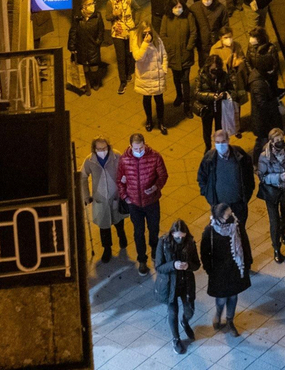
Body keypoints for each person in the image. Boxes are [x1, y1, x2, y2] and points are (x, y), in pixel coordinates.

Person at [116, 132, 169, 275]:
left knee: (154, 229)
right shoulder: (124, 160)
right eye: (136, 149)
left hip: (151, 202)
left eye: (141, 148)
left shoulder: (155, 157)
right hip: (134, 204)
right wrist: (125, 196)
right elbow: (119, 180)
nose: (139, 151)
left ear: (145, 144)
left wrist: (156, 186)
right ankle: (142, 260)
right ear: (130, 147)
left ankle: (154, 251)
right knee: (138, 232)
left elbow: (163, 175)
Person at [199, 203, 252, 336]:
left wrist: (248, 262)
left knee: (233, 296)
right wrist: (208, 269)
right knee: (222, 297)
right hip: (219, 270)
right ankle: (218, 314)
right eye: (227, 215)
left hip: (234, 267)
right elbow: (204, 253)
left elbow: (245, 243)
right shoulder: (210, 231)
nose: (230, 217)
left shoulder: (237, 226)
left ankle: (230, 321)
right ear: (220, 217)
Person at [153, 218, 201, 353]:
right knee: (172, 312)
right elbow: (159, 267)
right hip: (170, 285)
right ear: (172, 234)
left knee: (190, 310)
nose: (180, 239)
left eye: (182, 236)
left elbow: (197, 264)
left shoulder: (190, 243)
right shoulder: (163, 243)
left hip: (186, 283)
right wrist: (173, 265)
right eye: (177, 236)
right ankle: (176, 339)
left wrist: (188, 266)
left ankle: (185, 322)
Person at [256, 128, 285, 262]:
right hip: (272, 194)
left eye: (282, 139)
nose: (280, 142)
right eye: (277, 141)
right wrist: (278, 177)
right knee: (274, 222)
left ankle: (283, 231)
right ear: (271, 141)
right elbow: (262, 177)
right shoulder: (264, 156)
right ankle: (276, 247)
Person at [80, 137, 128, 261]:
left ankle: (121, 235)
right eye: (99, 148)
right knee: (104, 226)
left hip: (115, 196)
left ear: (108, 146)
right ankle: (107, 248)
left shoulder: (116, 156)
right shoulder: (90, 160)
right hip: (100, 199)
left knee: (118, 221)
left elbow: (126, 171)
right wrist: (86, 195)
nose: (102, 150)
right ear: (94, 149)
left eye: (104, 148)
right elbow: (83, 177)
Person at [197, 127, 255, 224]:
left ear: (228, 140)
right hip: (219, 206)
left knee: (240, 230)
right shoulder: (209, 158)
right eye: (217, 142)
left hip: (238, 204)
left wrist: (247, 193)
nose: (220, 145)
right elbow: (201, 177)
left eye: (223, 141)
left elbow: (248, 173)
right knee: (222, 233)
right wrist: (208, 194)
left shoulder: (239, 153)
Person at [131, 22, 171, 134]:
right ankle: (149, 120)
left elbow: (164, 55)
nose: (148, 35)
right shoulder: (137, 41)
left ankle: (161, 122)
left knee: (159, 100)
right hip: (145, 77)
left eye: (149, 32)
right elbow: (138, 57)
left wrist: (164, 69)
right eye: (145, 33)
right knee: (147, 99)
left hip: (157, 76)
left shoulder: (157, 40)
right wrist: (145, 44)